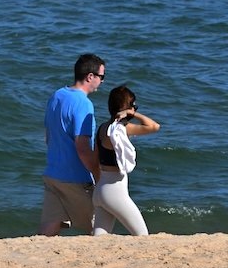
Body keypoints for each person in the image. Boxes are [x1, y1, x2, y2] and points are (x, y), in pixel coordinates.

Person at [38, 53, 105, 236]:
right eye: (101, 77)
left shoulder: (57, 96)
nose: (102, 82)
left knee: (49, 228)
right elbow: (82, 148)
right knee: (98, 224)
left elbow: (48, 136)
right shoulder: (83, 104)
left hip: (53, 173)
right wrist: (98, 175)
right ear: (90, 77)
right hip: (75, 178)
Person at [92, 84, 160, 236]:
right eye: (133, 105)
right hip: (115, 191)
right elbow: (154, 126)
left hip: (100, 190)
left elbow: (95, 157)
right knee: (142, 235)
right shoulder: (123, 129)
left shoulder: (103, 128)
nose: (135, 108)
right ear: (126, 108)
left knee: (99, 240)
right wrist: (133, 114)